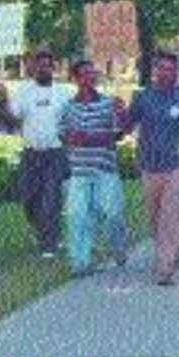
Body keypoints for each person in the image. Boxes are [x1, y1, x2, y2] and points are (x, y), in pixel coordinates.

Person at [122, 52, 179, 285]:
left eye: (171, 69)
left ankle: (165, 267)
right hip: (148, 165)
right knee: (154, 216)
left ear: (176, 73)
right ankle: (166, 249)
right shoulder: (142, 97)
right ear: (155, 71)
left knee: (171, 216)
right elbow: (127, 126)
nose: (167, 73)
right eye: (162, 68)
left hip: (175, 166)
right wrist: (119, 112)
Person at [0, 49, 71, 258]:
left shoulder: (63, 92)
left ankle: (49, 245)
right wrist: (3, 101)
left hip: (55, 153)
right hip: (31, 154)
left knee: (51, 198)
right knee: (29, 199)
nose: (43, 69)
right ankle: (44, 232)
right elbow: (12, 121)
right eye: (39, 65)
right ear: (33, 68)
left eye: (47, 65)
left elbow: (72, 120)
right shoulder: (23, 92)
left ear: (53, 68)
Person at [59, 60, 128, 277]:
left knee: (112, 213)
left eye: (93, 73)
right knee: (77, 216)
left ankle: (117, 247)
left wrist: (121, 112)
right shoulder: (68, 107)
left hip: (105, 169)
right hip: (79, 171)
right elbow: (65, 135)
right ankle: (80, 262)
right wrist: (78, 138)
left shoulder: (108, 104)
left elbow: (119, 133)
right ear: (75, 79)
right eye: (85, 74)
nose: (90, 77)